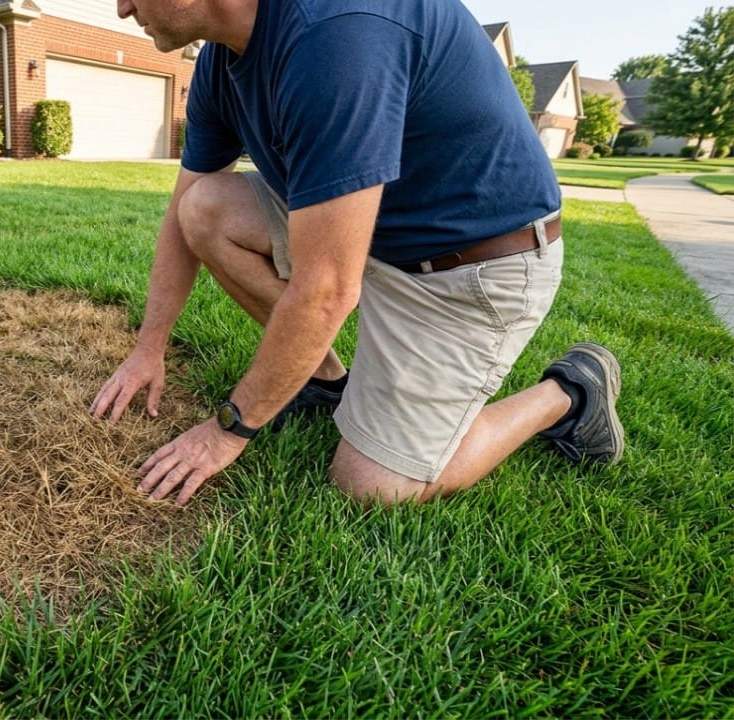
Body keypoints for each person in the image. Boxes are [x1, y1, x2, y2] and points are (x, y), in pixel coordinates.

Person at [88, 0, 625, 506]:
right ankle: (322, 383)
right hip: (374, 236)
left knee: (371, 485)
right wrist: (148, 347)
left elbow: (326, 290)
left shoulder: (336, 36)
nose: (122, 8)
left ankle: (571, 391)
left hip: (470, 266)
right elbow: (183, 215)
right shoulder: (219, 64)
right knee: (205, 209)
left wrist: (228, 432)